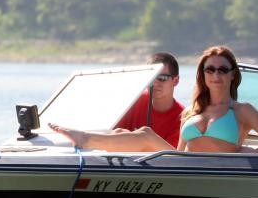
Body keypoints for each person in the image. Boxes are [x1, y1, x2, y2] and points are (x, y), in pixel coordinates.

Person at [49, 52, 183, 151]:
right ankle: (82, 138)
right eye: (152, 78)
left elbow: (168, 156)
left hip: (162, 166)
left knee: (145, 133)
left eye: (162, 78)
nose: (155, 83)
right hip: (127, 161)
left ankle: (85, 139)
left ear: (175, 81)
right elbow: (111, 132)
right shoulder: (136, 100)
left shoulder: (182, 117)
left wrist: (133, 137)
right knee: (118, 132)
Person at [177, 45, 258, 154]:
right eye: (210, 70)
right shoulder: (190, 112)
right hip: (190, 170)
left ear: (233, 75)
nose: (216, 75)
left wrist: (250, 156)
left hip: (226, 171)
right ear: (203, 74)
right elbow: (178, 154)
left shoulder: (244, 111)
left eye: (223, 70)